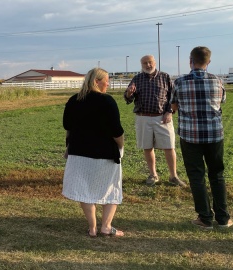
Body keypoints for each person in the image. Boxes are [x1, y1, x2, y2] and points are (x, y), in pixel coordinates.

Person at [171, 46, 233, 229]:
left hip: (190, 136)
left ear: (190, 60)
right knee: (217, 174)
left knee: (197, 176)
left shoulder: (180, 82)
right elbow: (222, 101)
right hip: (214, 135)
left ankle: (205, 218)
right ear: (208, 62)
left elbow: (173, 106)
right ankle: (223, 218)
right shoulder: (218, 81)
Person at [62, 68, 125, 237]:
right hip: (104, 153)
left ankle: (92, 228)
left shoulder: (74, 100)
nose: (108, 83)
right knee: (110, 189)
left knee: (85, 190)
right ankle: (106, 226)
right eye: (106, 80)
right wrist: (121, 146)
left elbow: (67, 126)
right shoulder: (107, 101)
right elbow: (116, 130)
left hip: (78, 152)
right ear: (97, 81)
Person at [124, 55, 186, 187]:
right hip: (143, 117)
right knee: (147, 147)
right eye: (145, 63)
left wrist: (170, 111)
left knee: (169, 146)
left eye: (150, 62)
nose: (148, 65)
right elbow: (128, 99)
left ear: (155, 63)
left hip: (162, 118)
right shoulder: (137, 79)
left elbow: (173, 97)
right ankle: (153, 175)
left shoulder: (165, 77)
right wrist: (129, 93)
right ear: (141, 65)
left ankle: (173, 176)